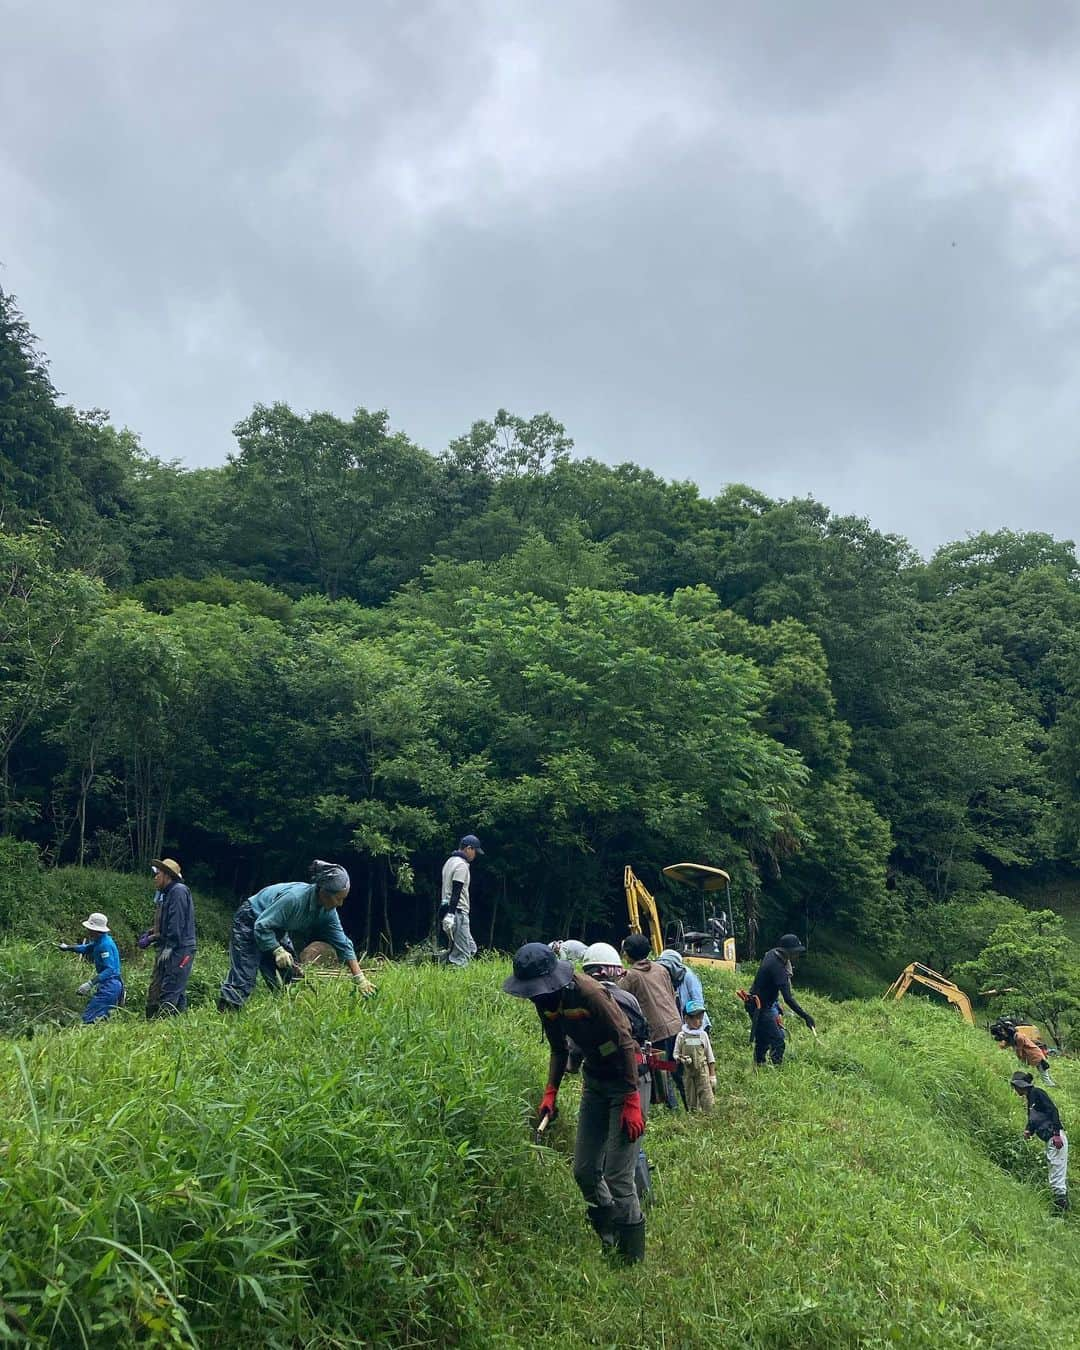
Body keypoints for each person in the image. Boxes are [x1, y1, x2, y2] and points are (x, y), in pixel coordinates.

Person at [503, 942, 647, 1263]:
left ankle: (630, 1257)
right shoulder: (545, 1003)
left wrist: (632, 1100)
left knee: (618, 1175)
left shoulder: (589, 994)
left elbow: (625, 1042)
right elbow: (559, 1049)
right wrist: (550, 1092)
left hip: (628, 1080)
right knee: (584, 1170)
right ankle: (608, 1237)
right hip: (595, 1082)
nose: (535, 997)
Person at [218, 860, 375, 1010]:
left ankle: (282, 1018)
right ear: (324, 892)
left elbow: (343, 943)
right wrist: (277, 950)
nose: (340, 904)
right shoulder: (295, 899)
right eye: (338, 898)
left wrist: (359, 978)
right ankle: (226, 1016)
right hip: (251, 919)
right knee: (244, 976)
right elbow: (262, 926)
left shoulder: (328, 913)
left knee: (290, 975)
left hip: (276, 928)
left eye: (343, 899)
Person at [581, 941, 652, 1202]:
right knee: (624, 1158)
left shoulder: (587, 1000)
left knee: (615, 1166)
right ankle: (631, 1206)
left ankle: (624, 1229)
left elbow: (575, 1048)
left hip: (619, 1083)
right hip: (635, 1078)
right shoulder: (627, 998)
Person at [620, 933, 683, 1109]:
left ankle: (672, 1107)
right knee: (676, 1065)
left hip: (657, 1030)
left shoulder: (631, 976)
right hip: (675, 1023)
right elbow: (672, 995)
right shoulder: (661, 968)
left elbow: (618, 997)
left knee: (663, 1068)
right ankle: (691, 1104)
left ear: (630, 954)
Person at [744, 933, 816, 1066]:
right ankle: (775, 1070)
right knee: (778, 1041)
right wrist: (806, 1016)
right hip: (760, 1006)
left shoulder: (772, 953)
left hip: (760, 1003)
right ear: (788, 952)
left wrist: (775, 1003)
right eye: (796, 953)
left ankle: (758, 1066)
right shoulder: (777, 968)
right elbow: (788, 999)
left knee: (763, 1038)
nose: (797, 956)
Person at [145, 858, 197, 1018]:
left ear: (167, 875)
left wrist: (170, 945)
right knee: (177, 990)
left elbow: (177, 921)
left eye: (158, 874)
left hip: (181, 948)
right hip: (176, 946)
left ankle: (161, 1027)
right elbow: (168, 922)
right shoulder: (168, 893)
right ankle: (181, 1025)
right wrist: (152, 933)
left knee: (171, 987)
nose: (155, 878)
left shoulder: (178, 891)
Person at [1010, 1070, 1068, 1211]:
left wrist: (1056, 1134)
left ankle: (1061, 1210)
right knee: (1054, 1172)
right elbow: (1034, 1119)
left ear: (1020, 1085)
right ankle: (1060, 1207)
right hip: (1050, 1139)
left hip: (1055, 1138)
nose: (1015, 1090)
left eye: (1015, 1087)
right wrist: (1029, 1130)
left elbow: (1053, 1110)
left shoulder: (1038, 1093)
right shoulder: (1031, 1098)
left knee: (1056, 1175)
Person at [59, 912, 124, 1024]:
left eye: (89, 928)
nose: (87, 931)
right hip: (107, 984)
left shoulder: (105, 945)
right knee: (101, 1018)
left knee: (90, 1018)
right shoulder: (99, 941)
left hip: (111, 985)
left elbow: (110, 969)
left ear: (96, 930)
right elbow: (86, 948)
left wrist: (90, 983)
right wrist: (67, 947)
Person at [439, 834, 483, 968]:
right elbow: (456, 891)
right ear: (469, 849)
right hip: (457, 913)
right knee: (462, 955)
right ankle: (453, 978)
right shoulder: (461, 865)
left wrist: (445, 913)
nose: (475, 855)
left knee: (470, 948)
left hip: (448, 910)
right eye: (475, 851)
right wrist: (452, 914)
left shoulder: (450, 861)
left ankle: (442, 966)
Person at [674, 999, 716, 1112]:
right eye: (696, 1018)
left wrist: (712, 1075)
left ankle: (709, 1118)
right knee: (691, 1098)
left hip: (702, 1070)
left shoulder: (703, 1035)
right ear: (687, 1019)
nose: (700, 1021)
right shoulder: (681, 1036)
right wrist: (680, 1059)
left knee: (707, 1097)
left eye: (701, 1017)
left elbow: (710, 1056)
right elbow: (676, 1054)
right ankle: (695, 1119)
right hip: (687, 1071)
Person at [992, 1019, 1056, 1087]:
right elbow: (1004, 1045)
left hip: (1036, 1056)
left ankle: (1052, 1086)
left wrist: (1020, 1060)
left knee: (1045, 1077)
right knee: (1027, 1072)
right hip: (1029, 1058)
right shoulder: (1013, 1038)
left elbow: (1019, 1051)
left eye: (1003, 1031)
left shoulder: (1019, 1037)